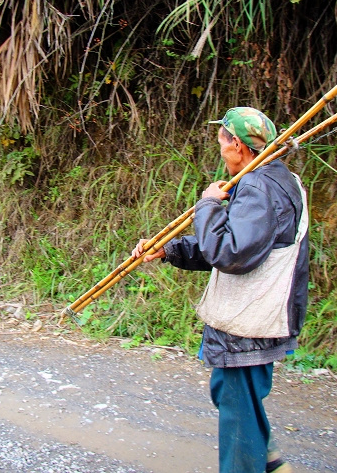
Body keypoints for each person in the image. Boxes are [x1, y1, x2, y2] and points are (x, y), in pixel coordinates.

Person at [132, 107, 308, 473]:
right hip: (260, 314)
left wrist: (208, 205)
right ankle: (271, 462)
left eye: (222, 143)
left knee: (236, 403)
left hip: (250, 320)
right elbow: (235, 244)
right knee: (235, 396)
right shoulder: (274, 178)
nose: (220, 150)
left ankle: (254, 465)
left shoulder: (260, 187)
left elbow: (231, 253)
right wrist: (170, 248)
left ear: (239, 147)